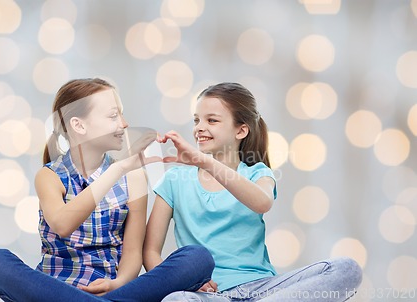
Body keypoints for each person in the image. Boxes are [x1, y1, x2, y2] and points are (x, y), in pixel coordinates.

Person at [0, 78, 214, 302]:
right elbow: (62, 224)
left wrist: (118, 283)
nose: (124, 123)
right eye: (113, 116)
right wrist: (117, 169)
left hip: (112, 289)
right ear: (78, 125)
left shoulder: (133, 177)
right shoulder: (50, 176)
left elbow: (133, 252)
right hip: (53, 288)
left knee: (197, 259)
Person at [143, 82, 363, 301]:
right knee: (176, 300)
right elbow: (151, 252)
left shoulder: (259, 173)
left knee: (347, 268)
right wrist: (184, 282)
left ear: (241, 130)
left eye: (212, 120)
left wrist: (203, 162)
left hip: (263, 290)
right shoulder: (175, 180)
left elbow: (262, 202)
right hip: (209, 296)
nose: (199, 127)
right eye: (196, 120)